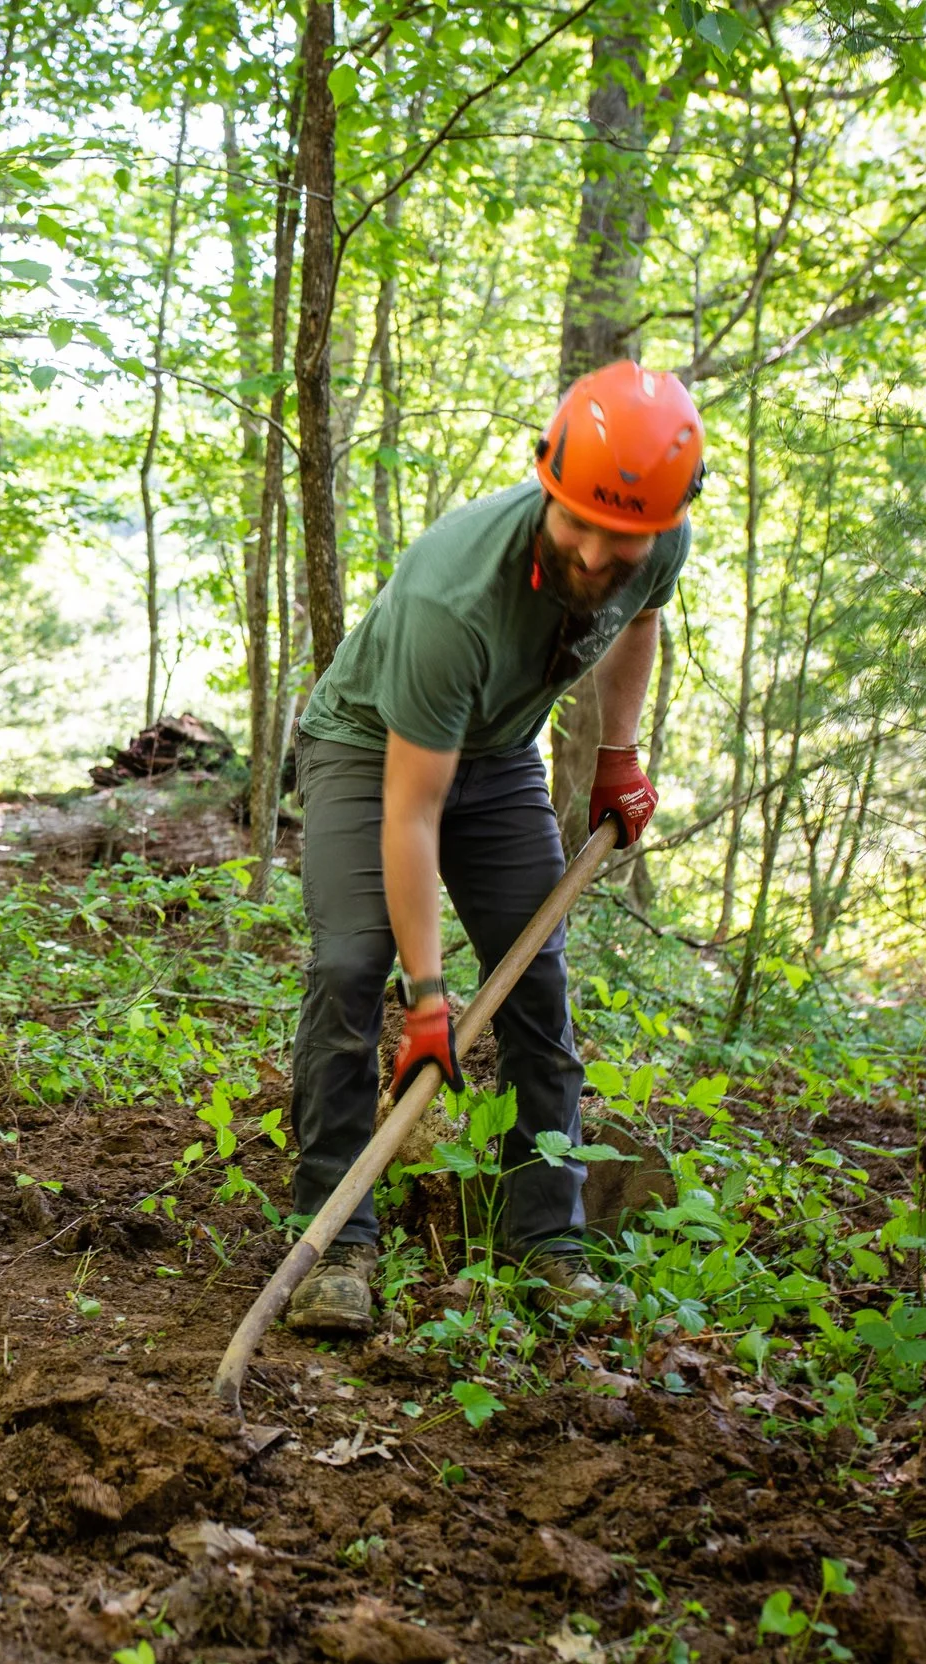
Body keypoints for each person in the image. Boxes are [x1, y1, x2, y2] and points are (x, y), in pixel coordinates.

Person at [283, 361, 702, 1335]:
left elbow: (637, 620)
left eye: (624, 538)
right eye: (578, 525)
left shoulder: (657, 540)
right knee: (351, 963)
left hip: (499, 748)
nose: (598, 554)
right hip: (367, 746)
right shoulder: (451, 598)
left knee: (536, 983)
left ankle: (547, 1242)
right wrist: (428, 1000)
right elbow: (412, 814)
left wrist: (618, 756)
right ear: (544, 479)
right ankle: (335, 1236)